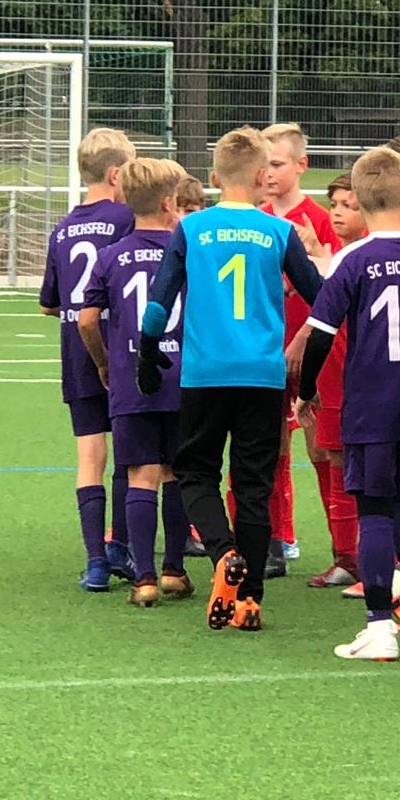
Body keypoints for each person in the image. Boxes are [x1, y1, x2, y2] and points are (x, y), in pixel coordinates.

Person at [136, 127, 324, 633]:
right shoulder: (279, 232)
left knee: (196, 472)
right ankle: (251, 600)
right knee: (254, 486)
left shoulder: (192, 229)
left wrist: (148, 355)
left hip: (206, 373)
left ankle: (223, 554)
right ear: (263, 176)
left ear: (215, 178)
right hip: (262, 375)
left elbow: (159, 304)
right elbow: (320, 296)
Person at [296, 147, 400, 662]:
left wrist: (305, 391)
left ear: (360, 199)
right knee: (399, 493)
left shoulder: (353, 258)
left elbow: (320, 333)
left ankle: (377, 625)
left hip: (370, 399)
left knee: (371, 504)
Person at [77, 158, 195, 606]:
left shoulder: (111, 256)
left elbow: (87, 320)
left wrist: (105, 363)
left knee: (140, 475)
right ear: (168, 203)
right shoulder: (188, 253)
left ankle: (143, 578)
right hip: (184, 377)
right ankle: (174, 570)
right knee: (179, 473)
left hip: (132, 379)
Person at [38, 127, 137, 593]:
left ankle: (95, 562)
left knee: (89, 455)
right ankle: (123, 547)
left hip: (76, 349)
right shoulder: (126, 218)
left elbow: (49, 303)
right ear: (117, 174)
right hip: (119, 346)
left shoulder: (62, 228)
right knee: (130, 453)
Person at [261, 122, 339, 575]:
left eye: (277, 163)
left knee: (321, 449)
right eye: (264, 164)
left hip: (313, 354)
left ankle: (343, 551)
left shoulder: (321, 219)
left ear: (301, 165)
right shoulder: (257, 218)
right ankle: (276, 540)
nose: (269, 173)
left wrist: (304, 336)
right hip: (267, 352)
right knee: (270, 449)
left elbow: (332, 291)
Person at [302, 173, 364, 588]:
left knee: (364, 467)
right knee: (331, 457)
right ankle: (346, 557)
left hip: (356, 376)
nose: (338, 213)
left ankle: (380, 559)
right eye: (335, 205)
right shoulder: (335, 256)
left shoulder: (358, 258)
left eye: (349, 206)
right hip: (330, 373)